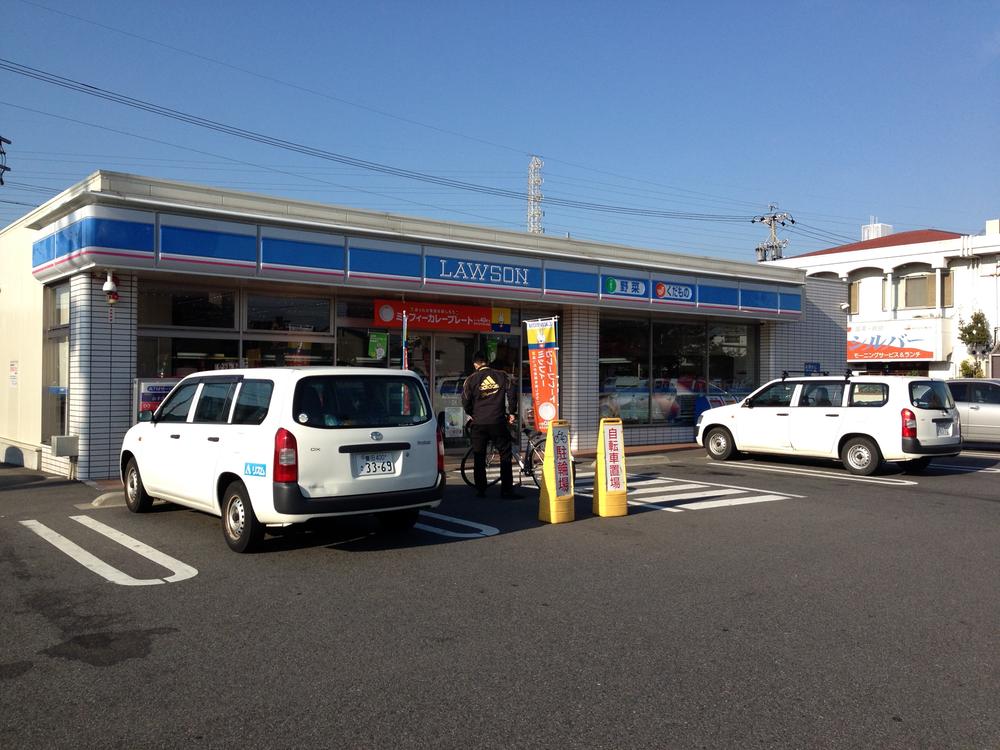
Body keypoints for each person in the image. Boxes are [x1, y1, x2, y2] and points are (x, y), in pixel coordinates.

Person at [462, 351, 521, 499]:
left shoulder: (470, 380)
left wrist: (473, 413)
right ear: (487, 361)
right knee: (505, 454)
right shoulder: (501, 375)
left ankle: (480, 489)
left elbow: (465, 401)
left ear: (475, 364)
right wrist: (512, 412)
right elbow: (512, 391)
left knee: (479, 456)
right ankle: (506, 490)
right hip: (497, 421)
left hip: (479, 423)